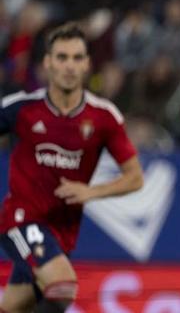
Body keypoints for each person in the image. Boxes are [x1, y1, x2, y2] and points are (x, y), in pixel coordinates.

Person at [0, 23, 144, 313]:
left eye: (77, 58)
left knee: (15, 309)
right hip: (20, 220)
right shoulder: (22, 109)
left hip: (61, 233)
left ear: (88, 64)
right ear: (48, 63)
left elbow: (135, 178)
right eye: (62, 57)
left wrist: (92, 191)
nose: (69, 66)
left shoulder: (103, 118)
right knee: (62, 286)